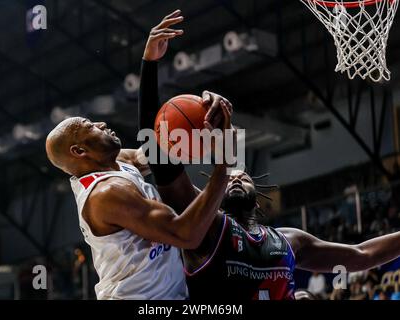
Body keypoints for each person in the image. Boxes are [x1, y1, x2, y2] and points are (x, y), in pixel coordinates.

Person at [139, 10, 400, 300]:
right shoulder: (207, 227)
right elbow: (158, 156)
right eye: (231, 177)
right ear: (216, 193)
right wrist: (149, 65)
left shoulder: (289, 241)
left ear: (258, 190)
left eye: (243, 176)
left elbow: (361, 254)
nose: (236, 178)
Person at [45, 11, 234, 299]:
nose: (101, 124)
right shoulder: (107, 194)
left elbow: (159, 150)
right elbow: (186, 234)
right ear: (80, 151)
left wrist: (204, 113)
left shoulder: (118, 164)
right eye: (89, 126)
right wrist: (224, 165)